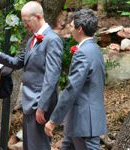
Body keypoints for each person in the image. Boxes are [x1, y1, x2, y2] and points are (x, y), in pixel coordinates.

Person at [0, 1, 63, 150]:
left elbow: (52, 76)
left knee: (38, 146)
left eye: (27, 21)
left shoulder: (52, 40)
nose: (25, 25)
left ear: (37, 16)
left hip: (40, 102)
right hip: (29, 100)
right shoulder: (32, 39)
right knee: (30, 145)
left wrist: (42, 106)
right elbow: (18, 62)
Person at [45, 9, 107, 150]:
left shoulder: (83, 53)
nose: (70, 29)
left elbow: (72, 89)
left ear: (80, 29)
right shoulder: (95, 50)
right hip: (79, 121)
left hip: (84, 122)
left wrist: (54, 120)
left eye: (72, 26)